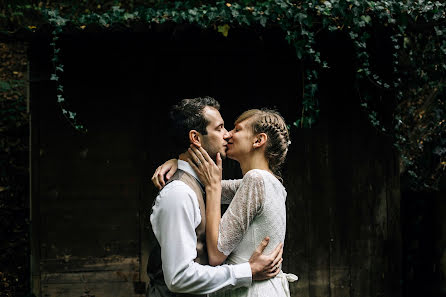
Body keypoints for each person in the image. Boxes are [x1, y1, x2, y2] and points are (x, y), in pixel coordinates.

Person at [147, 97, 283, 297]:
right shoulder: (178, 193)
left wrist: (179, 161)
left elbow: (218, 187)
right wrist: (247, 271)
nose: (227, 134)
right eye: (220, 128)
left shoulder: (213, 185)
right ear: (196, 138)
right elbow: (179, 278)